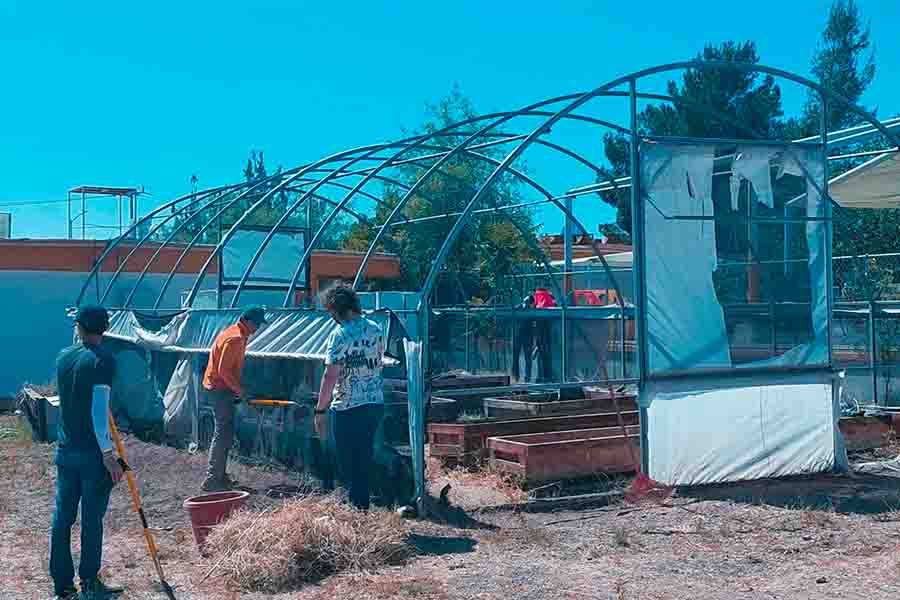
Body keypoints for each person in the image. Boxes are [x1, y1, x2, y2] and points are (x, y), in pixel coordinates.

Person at [50, 305, 125, 600]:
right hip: (92, 456)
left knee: (63, 518)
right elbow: (98, 410)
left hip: (66, 450)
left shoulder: (64, 357)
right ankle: (90, 584)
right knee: (91, 519)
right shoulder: (103, 360)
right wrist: (108, 454)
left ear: (80, 327)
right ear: (104, 329)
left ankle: (63, 586)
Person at [314, 285, 385, 510]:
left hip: (347, 406)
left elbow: (330, 375)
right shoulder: (376, 328)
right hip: (374, 402)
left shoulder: (340, 334)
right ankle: (361, 504)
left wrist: (320, 409)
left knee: (346, 459)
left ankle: (356, 506)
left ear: (336, 310)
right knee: (364, 455)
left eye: (330, 312)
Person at [200, 305, 268, 492]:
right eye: (257, 325)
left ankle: (219, 476)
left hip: (220, 387)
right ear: (247, 321)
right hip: (220, 389)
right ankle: (213, 479)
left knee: (225, 433)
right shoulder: (236, 338)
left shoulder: (234, 332)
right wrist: (241, 392)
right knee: (222, 434)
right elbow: (223, 371)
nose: (258, 329)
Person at [511, 293, 535, 382]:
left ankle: (517, 377)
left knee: (517, 357)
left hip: (519, 335)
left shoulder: (518, 307)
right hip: (525, 335)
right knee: (526, 358)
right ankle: (525, 378)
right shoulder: (531, 310)